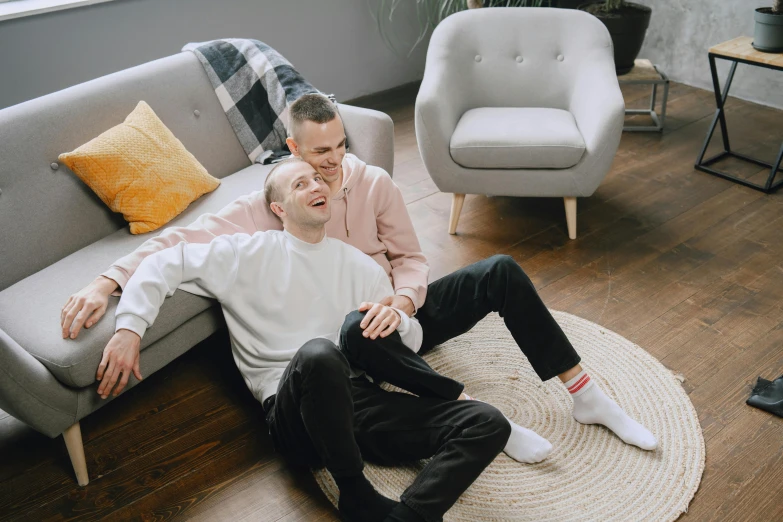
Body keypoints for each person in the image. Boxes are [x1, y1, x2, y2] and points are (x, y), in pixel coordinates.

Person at [64, 93, 656, 456]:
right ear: (292, 148)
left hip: (392, 316)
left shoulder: (370, 181)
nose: (333, 165)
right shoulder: (269, 201)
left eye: (340, 148)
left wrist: (402, 303)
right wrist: (108, 283)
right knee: (352, 334)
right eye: (318, 155)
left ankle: (586, 395)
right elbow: (182, 243)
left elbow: (412, 259)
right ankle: (477, 414)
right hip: (339, 341)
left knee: (499, 270)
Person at [99, 159, 511, 522]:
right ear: (279, 209)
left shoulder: (357, 264)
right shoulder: (245, 254)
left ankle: (409, 515)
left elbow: (412, 340)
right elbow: (164, 263)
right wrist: (129, 328)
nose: (315, 186)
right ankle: (355, 493)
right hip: (293, 412)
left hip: (359, 403)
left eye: (317, 179)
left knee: (487, 422)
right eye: (300, 184)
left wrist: (398, 317)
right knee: (319, 352)